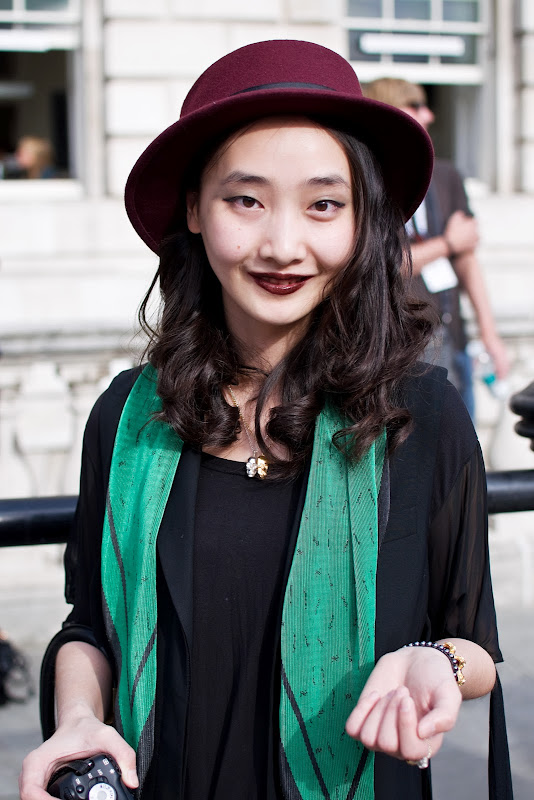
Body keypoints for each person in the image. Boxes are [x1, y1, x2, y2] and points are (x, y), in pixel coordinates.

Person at [20, 41, 510, 800]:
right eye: (245, 200)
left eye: (324, 204)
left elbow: (471, 640)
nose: (283, 246)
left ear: (361, 221)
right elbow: (90, 627)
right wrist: (79, 720)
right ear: (194, 207)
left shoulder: (420, 415)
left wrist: (435, 663)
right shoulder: (128, 418)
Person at [364, 78, 509, 419]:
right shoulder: (369, 177)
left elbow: (467, 256)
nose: (428, 115)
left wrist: (490, 335)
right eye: (415, 106)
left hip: (452, 336)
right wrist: (446, 243)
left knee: (462, 451)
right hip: (396, 345)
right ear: (390, 111)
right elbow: (379, 265)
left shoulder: (445, 175)